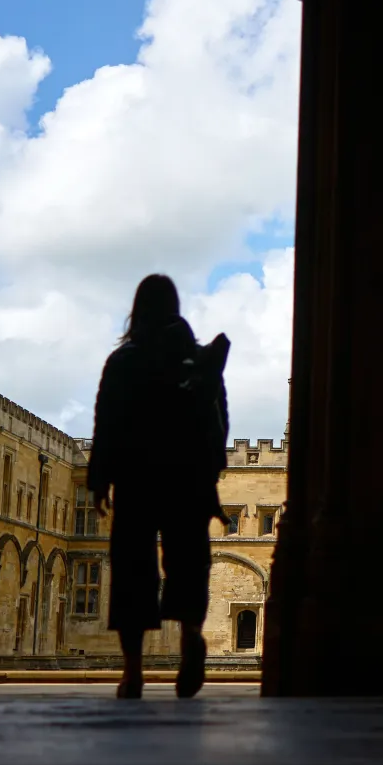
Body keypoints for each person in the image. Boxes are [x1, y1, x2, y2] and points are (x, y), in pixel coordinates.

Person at [88, 274, 230, 700]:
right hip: (186, 477)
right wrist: (211, 475)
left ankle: (133, 672)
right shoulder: (198, 360)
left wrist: (99, 478)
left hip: (137, 477)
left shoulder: (124, 360)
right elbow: (219, 421)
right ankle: (191, 636)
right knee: (188, 563)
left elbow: (106, 421)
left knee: (132, 569)